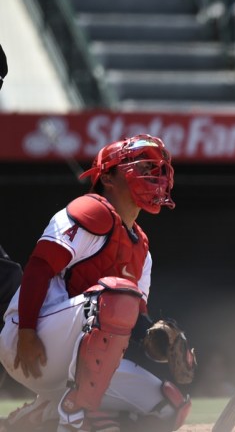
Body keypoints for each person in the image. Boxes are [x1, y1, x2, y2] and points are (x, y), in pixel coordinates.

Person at [0, 135, 192, 432]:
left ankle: (41, 416)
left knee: (169, 407)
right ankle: (74, 416)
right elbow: (38, 269)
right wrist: (26, 332)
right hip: (31, 338)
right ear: (107, 177)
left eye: (156, 170)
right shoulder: (92, 210)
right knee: (117, 293)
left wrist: (159, 341)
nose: (153, 177)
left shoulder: (142, 249)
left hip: (73, 362)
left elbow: (133, 320)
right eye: (141, 167)